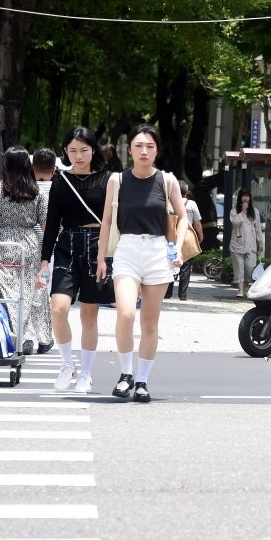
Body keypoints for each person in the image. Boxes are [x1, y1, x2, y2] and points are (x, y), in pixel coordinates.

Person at [97, 125, 188, 403]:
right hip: (127, 250)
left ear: (157, 149)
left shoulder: (167, 180)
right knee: (125, 313)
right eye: (138, 145)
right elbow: (107, 221)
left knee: (150, 321)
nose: (144, 151)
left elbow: (182, 217)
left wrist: (178, 247)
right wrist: (101, 256)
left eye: (149, 146)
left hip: (159, 253)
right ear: (130, 150)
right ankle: (125, 374)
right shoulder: (117, 181)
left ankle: (142, 381)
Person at [38, 127, 115, 394]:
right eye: (72, 151)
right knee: (58, 308)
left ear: (93, 149)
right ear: (65, 152)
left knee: (88, 315)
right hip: (66, 245)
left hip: (97, 247)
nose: (78, 155)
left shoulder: (108, 180)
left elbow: (114, 221)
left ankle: (86, 372)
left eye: (83, 150)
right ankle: (67, 364)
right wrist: (44, 261)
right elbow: (51, 224)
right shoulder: (61, 181)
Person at [0, 146, 50, 356]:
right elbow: (45, 225)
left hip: (1, 243)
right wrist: (46, 255)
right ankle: (35, 336)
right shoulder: (37, 191)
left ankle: (14, 335)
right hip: (28, 244)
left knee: (5, 293)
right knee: (28, 292)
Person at [31, 147, 57, 354]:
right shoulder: (59, 189)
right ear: (54, 169)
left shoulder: (27, 189)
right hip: (52, 250)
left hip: (30, 247)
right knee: (43, 294)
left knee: (32, 293)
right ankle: (43, 337)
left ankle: (30, 335)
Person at [165, 180, 204, 301]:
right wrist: (200, 234)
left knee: (170, 264)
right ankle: (182, 294)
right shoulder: (191, 204)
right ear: (186, 192)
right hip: (186, 237)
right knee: (186, 266)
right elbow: (197, 223)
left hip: (171, 236)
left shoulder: (169, 203)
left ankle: (167, 292)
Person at [229, 188, 263, 298]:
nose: (245, 198)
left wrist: (260, 242)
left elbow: (258, 228)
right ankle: (240, 290)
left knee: (250, 268)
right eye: (243, 195)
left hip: (251, 243)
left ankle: (246, 287)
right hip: (237, 243)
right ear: (240, 197)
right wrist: (243, 212)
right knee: (239, 267)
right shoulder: (234, 211)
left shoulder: (255, 211)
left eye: (247, 195)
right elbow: (234, 223)